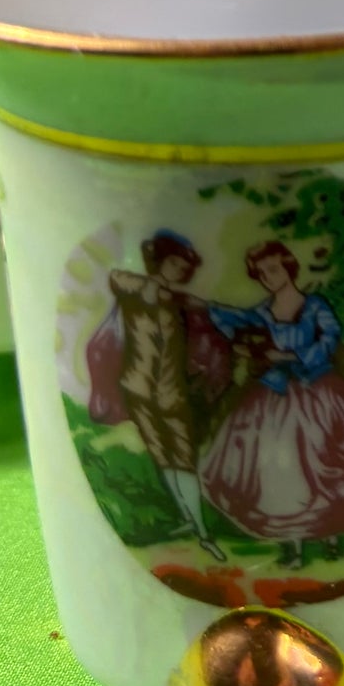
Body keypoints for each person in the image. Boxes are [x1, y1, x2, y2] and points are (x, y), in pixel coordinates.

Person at [201, 240, 344, 553]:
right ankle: (294, 543)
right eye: (261, 274)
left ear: (288, 267)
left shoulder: (314, 305)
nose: (268, 278)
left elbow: (330, 337)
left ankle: (331, 534)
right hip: (274, 392)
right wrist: (247, 347)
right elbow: (227, 321)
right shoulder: (261, 312)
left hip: (318, 387)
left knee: (327, 458)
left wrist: (294, 356)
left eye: (273, 269)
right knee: (281, 467)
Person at [87, 232, 234, 558]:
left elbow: (211, 309)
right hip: (137, 387)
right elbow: (116, 277)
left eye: (184, 267)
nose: (180, 270)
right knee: (161, 453)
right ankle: (189, 519)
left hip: (171, 391)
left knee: (183, 458)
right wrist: (155, 285)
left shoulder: (179, 301)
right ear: (160, 261)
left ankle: (203, 532)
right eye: (175, 263)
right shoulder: (133, 286)